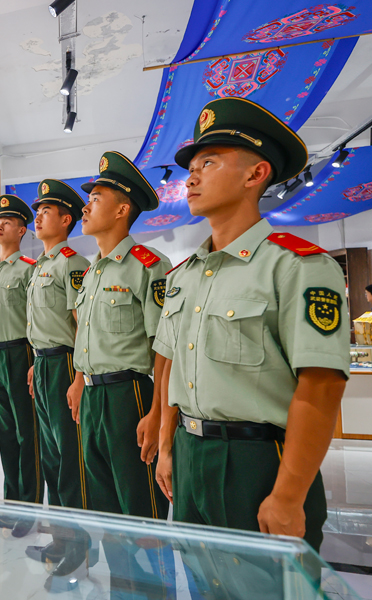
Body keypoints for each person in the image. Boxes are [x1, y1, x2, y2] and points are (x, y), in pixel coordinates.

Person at [153, 97, 349, 599]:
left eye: (208, 164)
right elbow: (174, 373)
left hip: (259, 462)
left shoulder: (296, 266)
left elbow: (320, 387)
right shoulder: (184, 277)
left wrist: (289, 494)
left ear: (255, 173)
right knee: (202, 584)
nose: (191, 178)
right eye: (191, 168)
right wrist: (170, 448)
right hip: (193, 459)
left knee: (268, 591)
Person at [69, 152, 174, 597]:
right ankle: (121, 591)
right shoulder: (92, 272)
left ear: (122, 209)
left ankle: (152, 592)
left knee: (141, 516)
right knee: (106, 514)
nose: (86, 206)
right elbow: (84, 336)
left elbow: (164, 351)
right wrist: (77, 381)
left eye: (95, 196)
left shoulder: (149, 266)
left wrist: (158, 415)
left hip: (130, 396)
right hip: (93, 399)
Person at [23, 180, 92, 593]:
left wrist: (80, 375)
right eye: (38, 210)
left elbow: (82, 326)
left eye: (46, 210)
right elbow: (39, 327)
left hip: (67, 365)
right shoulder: (40, 267)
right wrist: (34, 361)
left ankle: (80, 549)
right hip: (45, 364)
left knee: (70, 460)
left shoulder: (73, 263)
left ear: (66, 219)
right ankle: (61, 538)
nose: (39, 216)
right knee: (50, 458)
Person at [0, 194, 42, 537]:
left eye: (7, 221)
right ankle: (11, 503)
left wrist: (33, 358)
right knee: (5, 434)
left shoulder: (29, 270)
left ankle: (30, 509)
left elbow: (35, 319)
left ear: (22, 230)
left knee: (26, 434)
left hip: (21, 355)